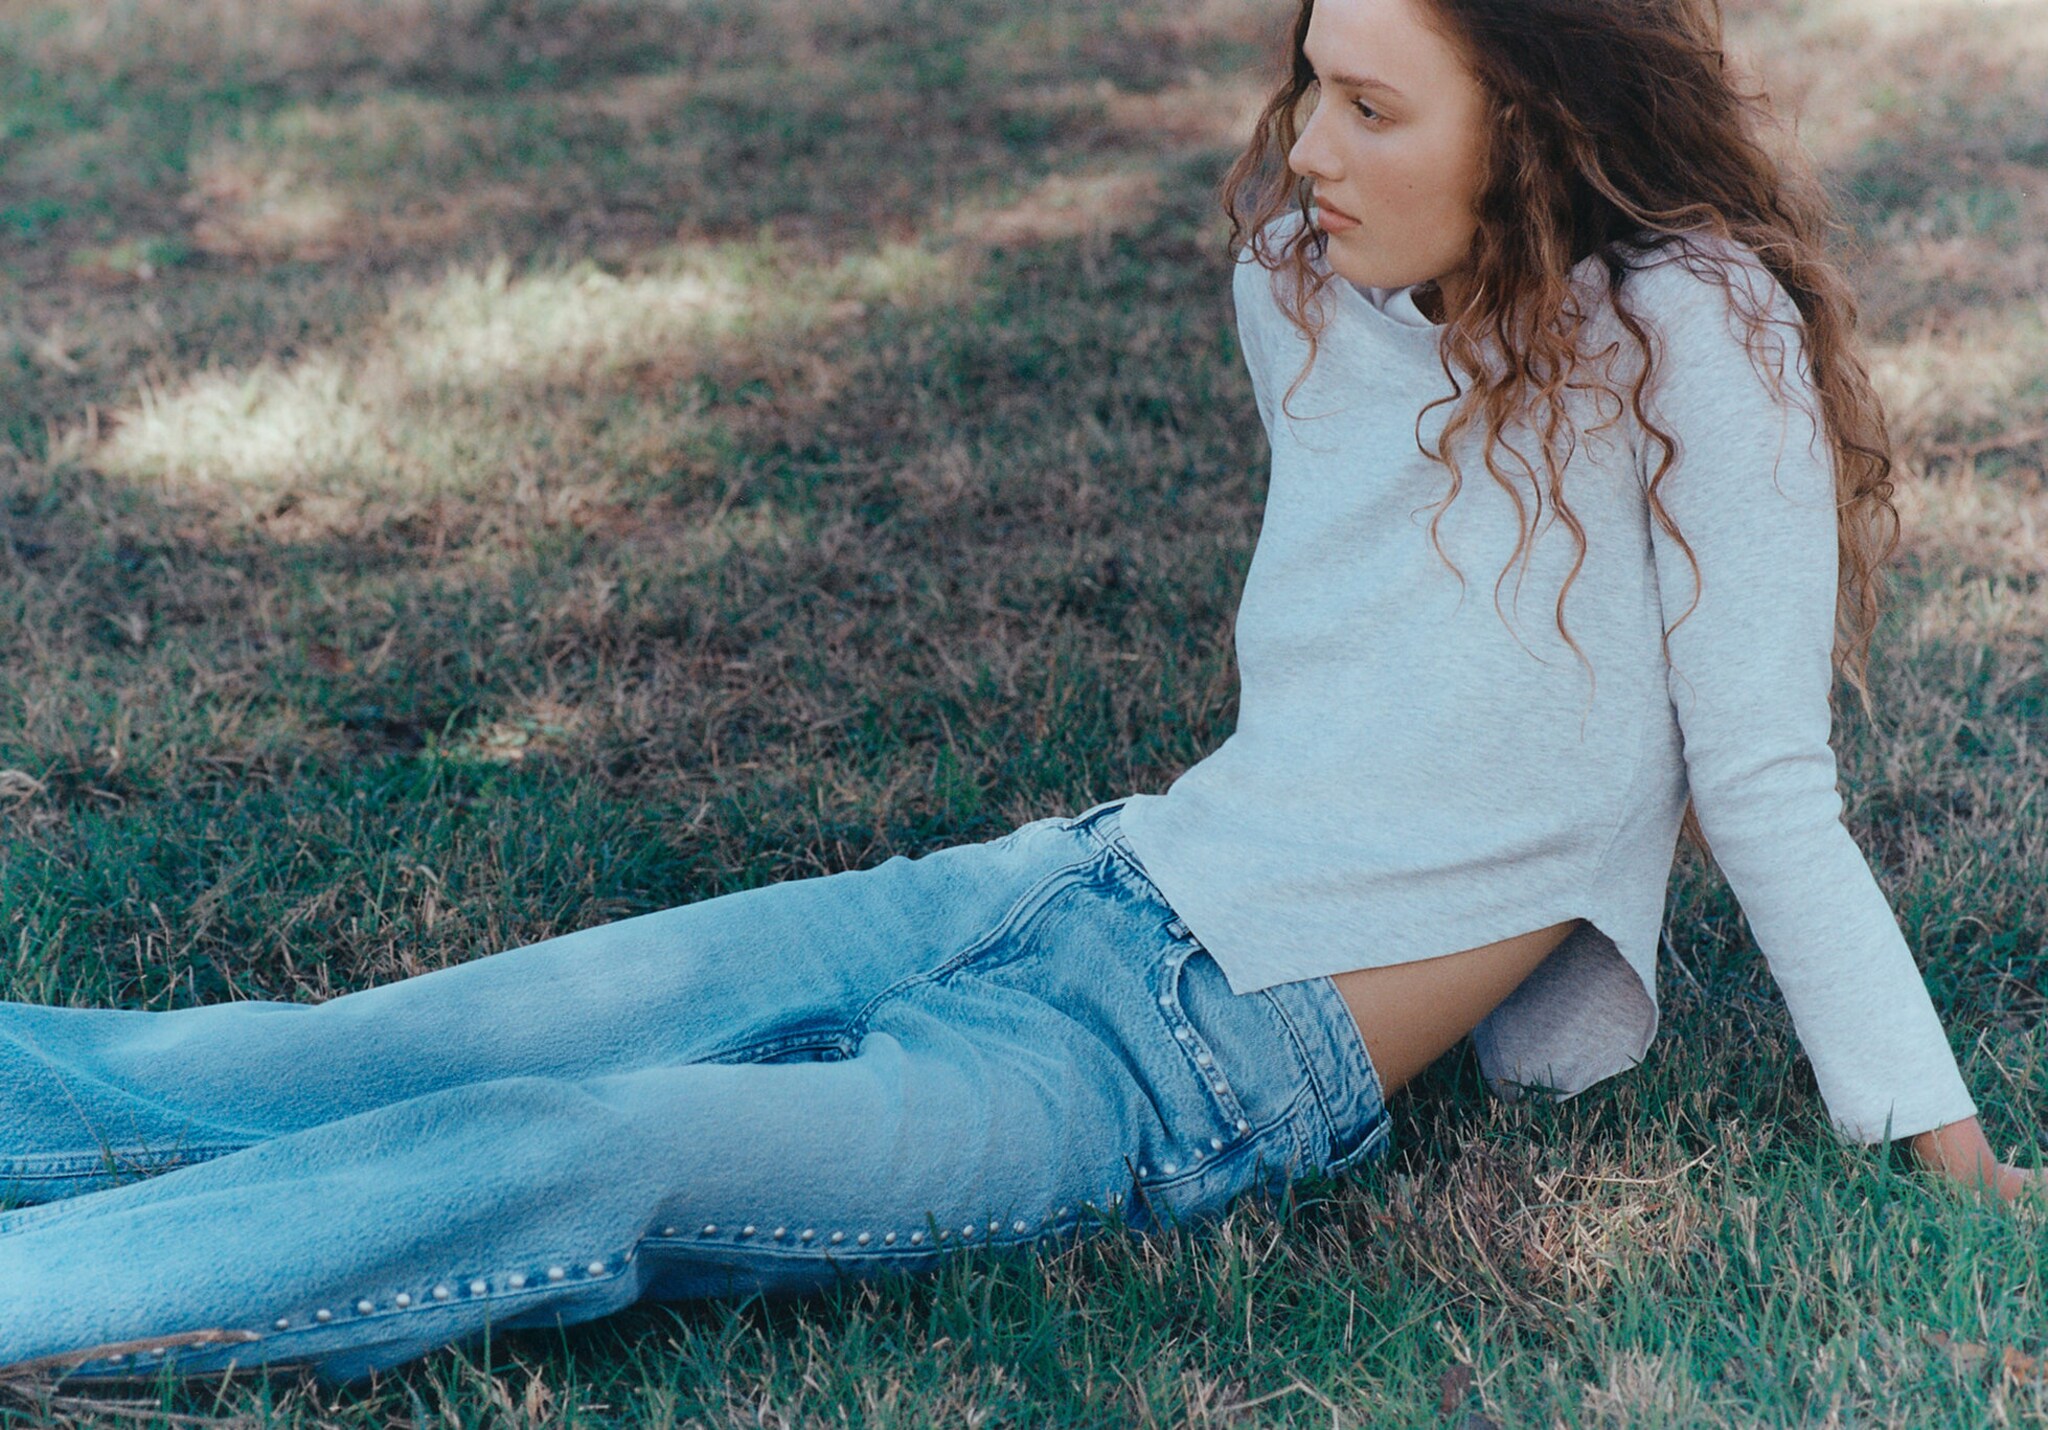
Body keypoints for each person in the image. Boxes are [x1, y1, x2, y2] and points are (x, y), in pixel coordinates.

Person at [1, 0, 2035, 1389]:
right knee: (340, 1046)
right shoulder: (1313, 295)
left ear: (1541, 124)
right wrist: (1385, 237)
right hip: (1062, 879)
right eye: (1310, 80)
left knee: (571, 1147)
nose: (1307, 148)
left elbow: (1765, 784)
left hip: (1196, 1071)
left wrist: (1947, 1156)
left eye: (1375, 108)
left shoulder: (1694, 335)